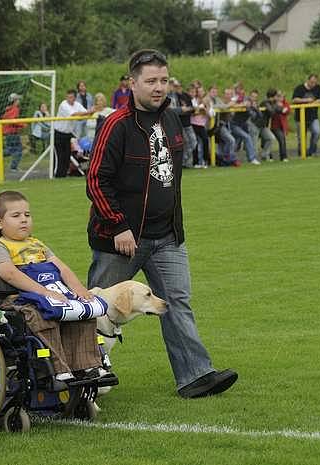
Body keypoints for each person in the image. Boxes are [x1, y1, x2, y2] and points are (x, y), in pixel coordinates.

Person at [86, 49, 238, 399]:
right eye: (150, 81)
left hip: (167, 237)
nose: (158, 87)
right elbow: (96, 181)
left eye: (163, 80)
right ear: (132, 83)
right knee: (95, 310)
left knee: (176, 302)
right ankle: (83, 379)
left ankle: (195, 376)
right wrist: (119, 226)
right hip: (120, 240)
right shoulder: (115, 125)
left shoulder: (171, 120)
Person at [0, 191, 113, 384]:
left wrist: (78, 289)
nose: (24, 220)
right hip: (18, 297)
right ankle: (57, 368)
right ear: (0, 222)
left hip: (52, 292)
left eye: (27, 215)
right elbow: (10, 274)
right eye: (16, 216)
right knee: (42, 315)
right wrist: (44, 293)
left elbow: (61, 267)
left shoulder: (37, 244)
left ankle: (89, 366)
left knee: (82, 312)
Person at [53, 89, 95, 178]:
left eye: (71, 97)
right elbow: (74, 114)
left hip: (68, 134)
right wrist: (88, 112)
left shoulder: (77, 105)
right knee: (59, 156)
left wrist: (92, 111)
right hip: (59, 133)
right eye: (68, 97)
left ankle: (64, 174)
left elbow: (84, 114)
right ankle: (57, 175)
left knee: (67, 155)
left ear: (75, 98)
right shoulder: (63, 104)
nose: (69, 99)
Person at [292, 74, 320, 157]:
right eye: (312, 82)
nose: (313, 84)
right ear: (308, 80)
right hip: (300, 118)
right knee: (301, 137)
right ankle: (302, 153)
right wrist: (306, 100)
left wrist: (314, 103)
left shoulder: (318, 88)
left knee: (317, 132)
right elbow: (294, 99)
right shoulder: (299, 88)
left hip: (313, 117)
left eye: (315, 83)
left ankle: (312, 151)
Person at [246, 89, 276, 162]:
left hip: (262, 125)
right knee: (254, 143)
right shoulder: (248, 103)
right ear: (250, 96)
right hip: (254, 124)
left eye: (255, 97)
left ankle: (264, 155)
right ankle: (252, 159)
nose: (254, 98)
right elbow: (254, 116)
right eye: (252, 96)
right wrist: (255, 109)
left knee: (271, 138)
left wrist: (257, 109)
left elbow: (261, 114)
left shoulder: (258, 103)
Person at [265, 89, 291, 162]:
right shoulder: (271, 103)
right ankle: (269, 156)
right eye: (278, 96)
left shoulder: (284, 103)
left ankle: (283, 156)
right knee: (268, 140)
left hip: (281, 126)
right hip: (272, 125)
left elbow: (287, 110)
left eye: (280, 96)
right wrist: (278, 107)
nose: (279, 98)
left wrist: (282, 108)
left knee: (281, 140)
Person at [1, 93, 25, 171]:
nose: (19, 101)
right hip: (12, 133)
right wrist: (22, 125)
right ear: (14, 101)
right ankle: (13, 167)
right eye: (17, 100)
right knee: (18, 150)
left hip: (8, 133)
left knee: (11, 149)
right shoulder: (14, 109)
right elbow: (13, 121)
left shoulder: (8, 109)